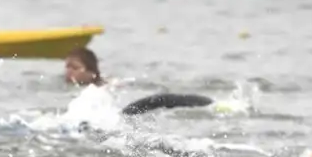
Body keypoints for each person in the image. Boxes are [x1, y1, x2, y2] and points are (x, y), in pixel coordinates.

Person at [64, 47, 215, 116]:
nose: (69, 71)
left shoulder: (102, 87)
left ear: (91, 73)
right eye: (67, 67)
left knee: (159, 99)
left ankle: (208, 103)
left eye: (75, 68)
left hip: (121, 114)